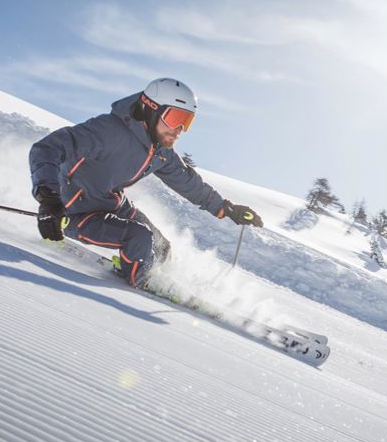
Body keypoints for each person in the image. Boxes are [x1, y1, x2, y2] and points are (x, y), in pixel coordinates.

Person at [29, 78, 263, 288]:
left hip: (110, 204)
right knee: (139, 238)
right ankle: (140, 282)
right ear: (151, 109)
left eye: (186, 122)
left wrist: (227, 208)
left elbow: (189, 183)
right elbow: (47, 148)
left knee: (161, 248)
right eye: (175, 118)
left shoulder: (160, 152)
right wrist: (49, 199)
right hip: (73, 210)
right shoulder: (109, 131)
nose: (179, 130)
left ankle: (149, 271)